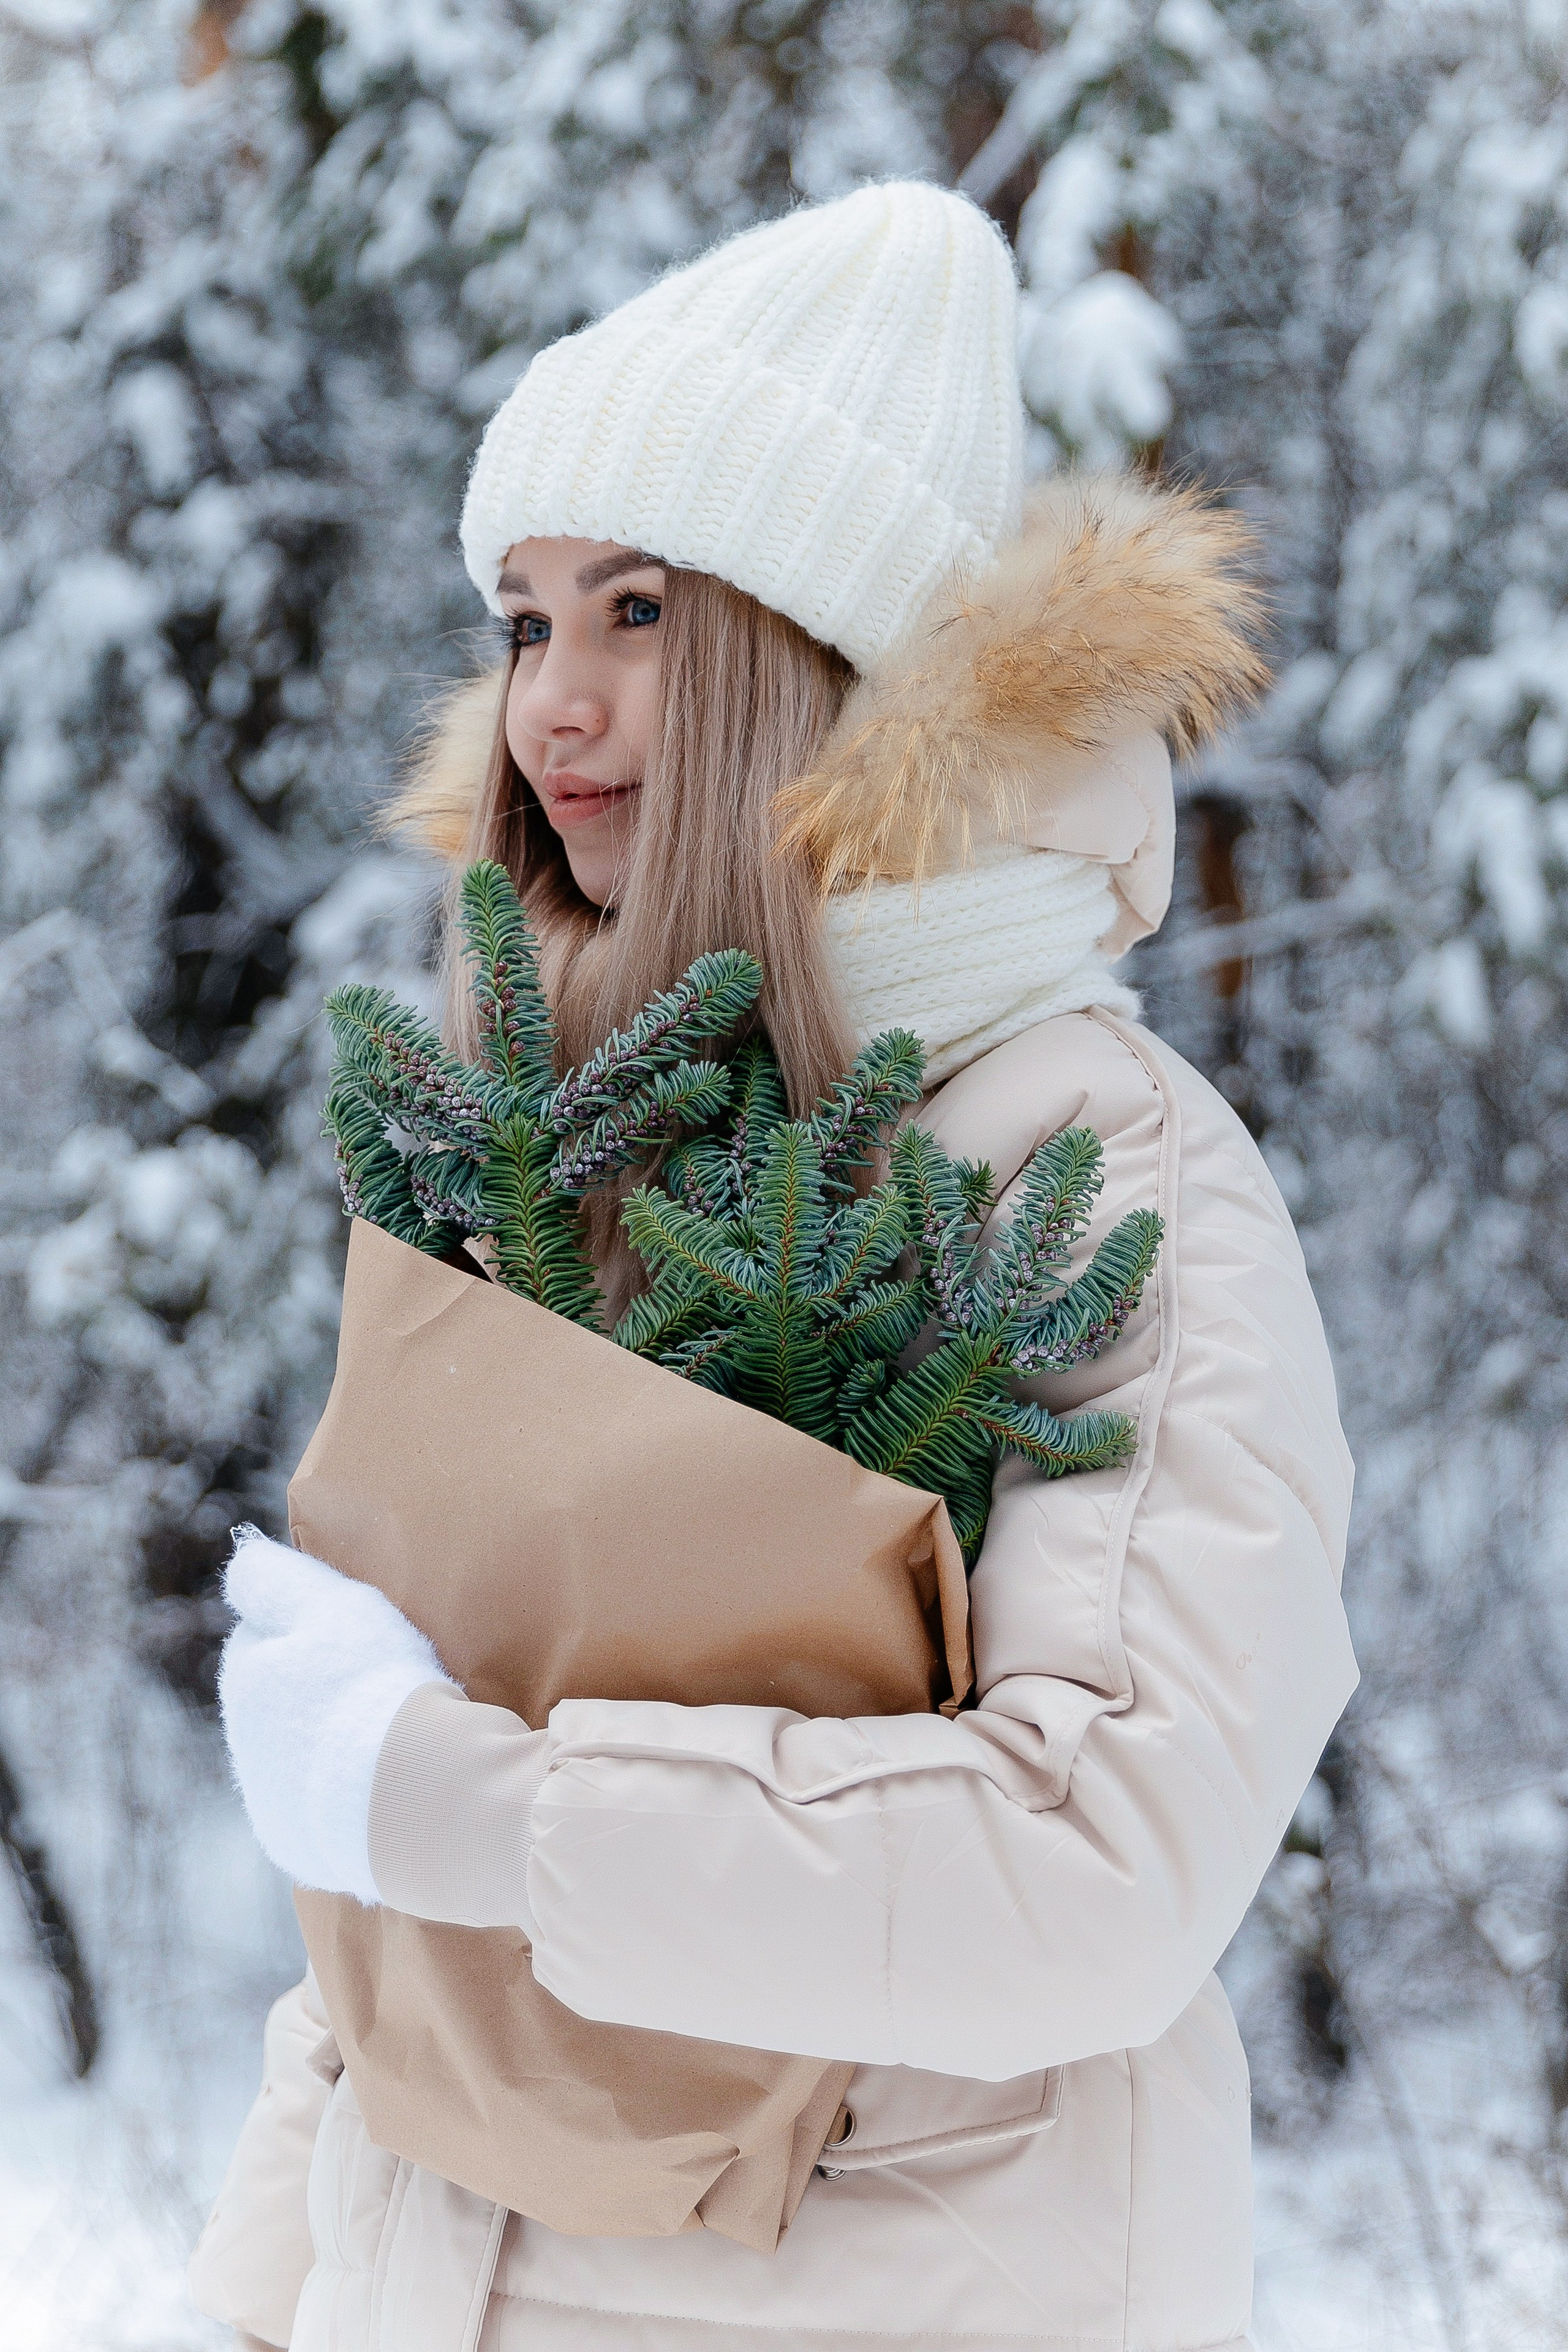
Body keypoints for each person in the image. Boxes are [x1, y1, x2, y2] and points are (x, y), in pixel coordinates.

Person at [190, 181, 1357, 2352]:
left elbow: (1102, 1860)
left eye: (637, 609)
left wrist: (452, 1802)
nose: (553, 706)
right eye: (523, 622)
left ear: (810, 647)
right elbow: (393, 1917)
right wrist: (263, 2299)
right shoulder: (569, 1144)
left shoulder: (1093, 1164)